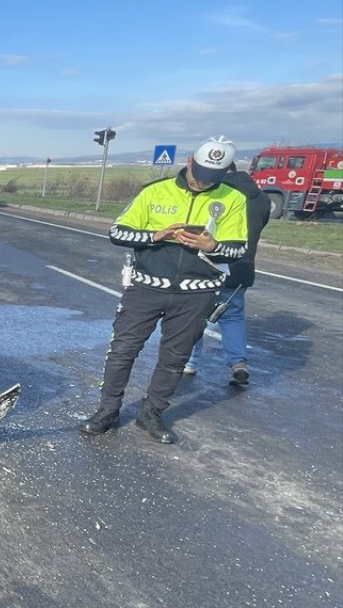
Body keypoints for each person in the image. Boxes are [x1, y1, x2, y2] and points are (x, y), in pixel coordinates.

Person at [79, 136, 249, 444]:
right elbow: (117, 232)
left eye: (213, 178)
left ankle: (152, 414)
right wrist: (155, 236)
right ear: (188, 163)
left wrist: (213, 246)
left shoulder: (233, 199)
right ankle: (107, 411)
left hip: (197, 293)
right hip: (146, 287)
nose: (202, 183)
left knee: (175, 358)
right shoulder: (154, 192)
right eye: (199, 174)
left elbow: (240, 250)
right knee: (122, 350)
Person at [184, 168, 271, 385]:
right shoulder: (261, 198)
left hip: (211, 264)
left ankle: (189, 362)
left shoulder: (219, 195)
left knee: (193, 314)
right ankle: (238, 362)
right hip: (242, 267)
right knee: (232, 316)